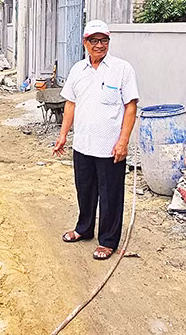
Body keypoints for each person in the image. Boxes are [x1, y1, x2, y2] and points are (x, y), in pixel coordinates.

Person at [53, 20, 139, 260]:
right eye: (94, 40)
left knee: (110, 194)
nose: (99, 45)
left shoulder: (122, 69)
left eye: (104, 40)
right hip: (83, 144)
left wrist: (123, 142)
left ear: (108, 42)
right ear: (85, 42)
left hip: (110, 147)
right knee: (85, 190)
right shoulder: (77, 70)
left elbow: (130, 107)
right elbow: (70, 104)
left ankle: (108, 241)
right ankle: (84, 229)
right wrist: (63, 136)